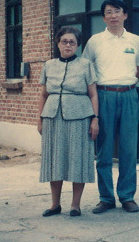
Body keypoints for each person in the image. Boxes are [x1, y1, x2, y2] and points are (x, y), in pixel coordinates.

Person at [82, 0, 139, 214]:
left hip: (128, 96)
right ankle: (106, 198)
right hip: (104, 96)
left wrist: (126, 85)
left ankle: (127, 196)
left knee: (129, 149)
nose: (113, 16)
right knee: (104, 150)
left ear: (125, 15)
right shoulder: (95, 41)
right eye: (108, 12)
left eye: (117, 11)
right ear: (103, 17)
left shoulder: (135, 41)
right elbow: (87, 70)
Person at [37, 27, 99, 218]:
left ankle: (75, 205)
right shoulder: (49, 65)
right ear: (58, 43)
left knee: (77, 160)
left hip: (79, 116)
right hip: (52, 117)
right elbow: (43, 94)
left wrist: (95, 119)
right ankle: (55, 204)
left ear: (78, 45)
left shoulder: (86, 65)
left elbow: (93, 94)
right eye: (64, 41)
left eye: (72, 42)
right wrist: (39, 118)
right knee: (55, 160)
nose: (68, 45)